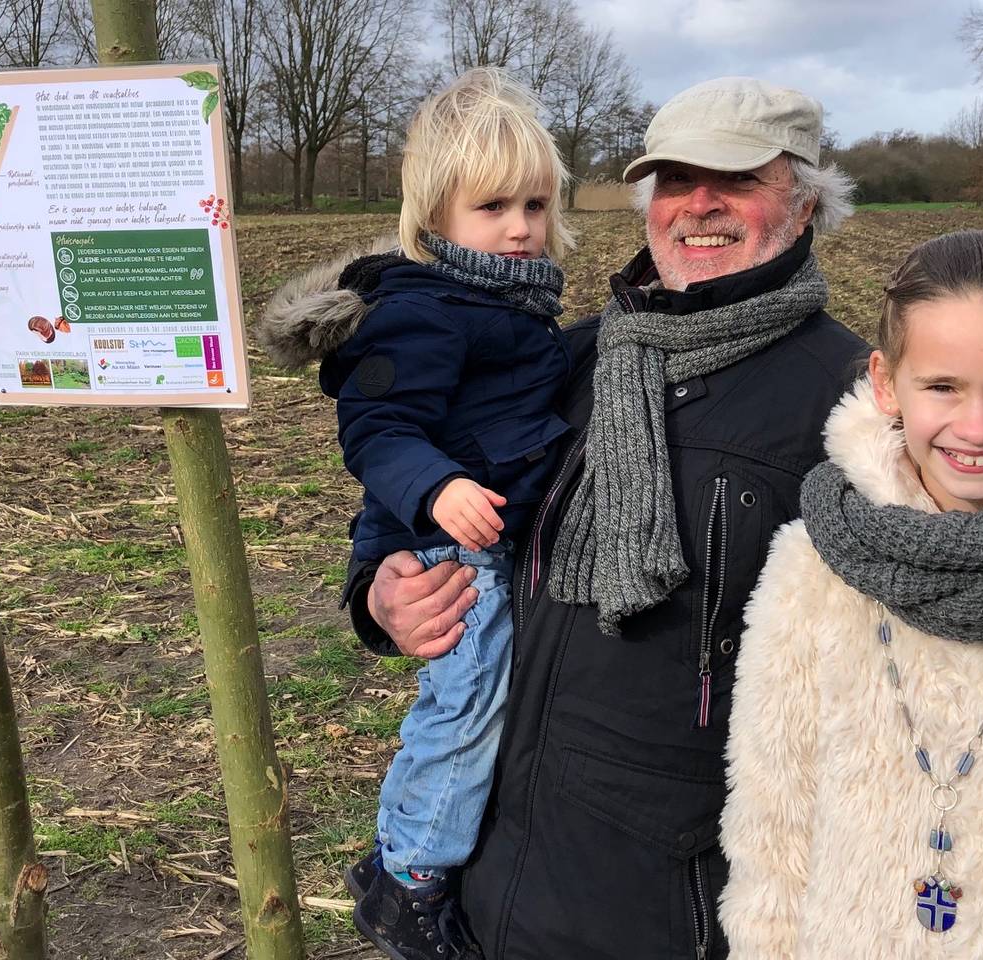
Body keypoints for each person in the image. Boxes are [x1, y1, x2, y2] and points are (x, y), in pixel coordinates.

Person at [319, 77, 868, 958]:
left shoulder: (851, 403)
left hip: (668, 906)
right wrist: (380, 599)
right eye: (677, 181)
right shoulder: (568, 356)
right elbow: (407, 476)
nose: (700, 206)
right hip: (499, 879)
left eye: (738, 181)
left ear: (804, 203)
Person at [719, 230, 983, 958]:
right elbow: (774, 837)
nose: (977, 427)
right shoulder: (811, 571)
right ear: (888, 383)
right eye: (943, 386)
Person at [262, 68, 574, 960]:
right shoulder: (425, 312)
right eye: (493, 207)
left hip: (486, 531)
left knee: (486, 701)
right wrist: (437, 488)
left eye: (536, 204)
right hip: (452, 547)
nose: (520, 227)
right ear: (437, 216)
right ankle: (409, 876)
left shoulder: (511, 302)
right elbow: (377, 428)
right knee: (468, 699)